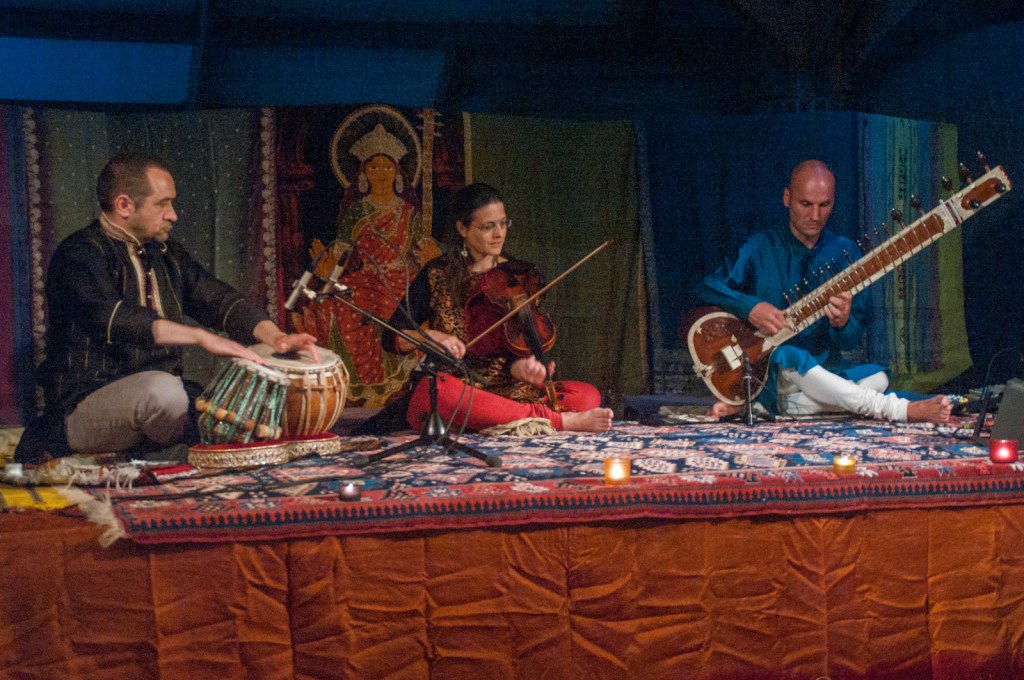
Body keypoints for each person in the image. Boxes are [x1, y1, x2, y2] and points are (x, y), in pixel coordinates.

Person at [15, 153, 318, 463]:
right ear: (124, 205)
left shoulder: (166, 254)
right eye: (163, 204)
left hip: (161, 400)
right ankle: (169, 454)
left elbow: (217, 298)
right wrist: (201, 337)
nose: (173, 215)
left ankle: (165, 452)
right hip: (84, 404)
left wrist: (276, 337)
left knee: (240, 410)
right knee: (164, 394)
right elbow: (113, 318)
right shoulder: (79, 255)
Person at [693, 159, 951, 424]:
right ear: (787, 198)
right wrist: (751, 308)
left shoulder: (846, 254)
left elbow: (850, 341)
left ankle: (790, 407)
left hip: (824, 375)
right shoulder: (759, 247)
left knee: (878, 376)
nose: (815, 216)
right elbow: (707, 288)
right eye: (805, 204)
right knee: (790, 355)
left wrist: (842, 322)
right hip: (775, 372)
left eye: (824, 205)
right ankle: (896, 409)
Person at [379, 182, 613, 433]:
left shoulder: (520, 276)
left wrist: (522, 366)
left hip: (509, 392)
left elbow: (517, 344)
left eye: (503, 223)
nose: (499, 233)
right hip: (460, 388)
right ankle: (554, 421)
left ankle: (512, 417)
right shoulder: (436, 274)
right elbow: (392, 336)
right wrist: (431, 337)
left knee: (586, 395)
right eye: (488, 227)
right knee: (433, 391)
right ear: (462, 228)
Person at [295, 124, 438, 407]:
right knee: (340, 304)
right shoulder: (357, 211)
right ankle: (363, 388)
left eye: (387, 168)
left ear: (397, 172)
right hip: (365, 278)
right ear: (363, 174)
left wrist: (430, 255)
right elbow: (342, 249)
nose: (381, 175)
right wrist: (329, 265)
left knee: (395, 307)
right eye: (374, 169)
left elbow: (423, 249)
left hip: (402, 277)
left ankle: (398, 386)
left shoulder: (410, 212)